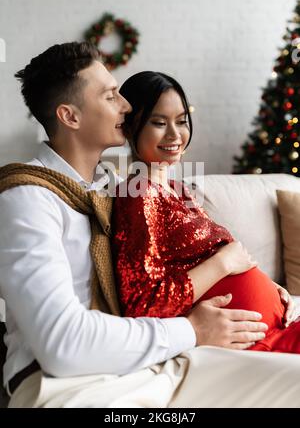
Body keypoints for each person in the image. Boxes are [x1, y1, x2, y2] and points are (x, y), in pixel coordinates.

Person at [0, 43, 299, 409]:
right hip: (70, 387)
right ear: (70, 116)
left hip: (151, 367)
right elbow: (63, 345)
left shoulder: (112, 189)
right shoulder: (27, 199)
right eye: (111, 96)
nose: (127, 106)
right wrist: (192, 329)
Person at [112, 71, 300, 354]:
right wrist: (223, 263)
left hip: (274, 326)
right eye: (159, 123)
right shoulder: (138, 194)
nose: (175, 135)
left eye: (182, 122)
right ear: (130, 127)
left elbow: (213, 254)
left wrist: (275, 288)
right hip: (252, 343)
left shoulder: (179, 190)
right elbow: (144, 303)